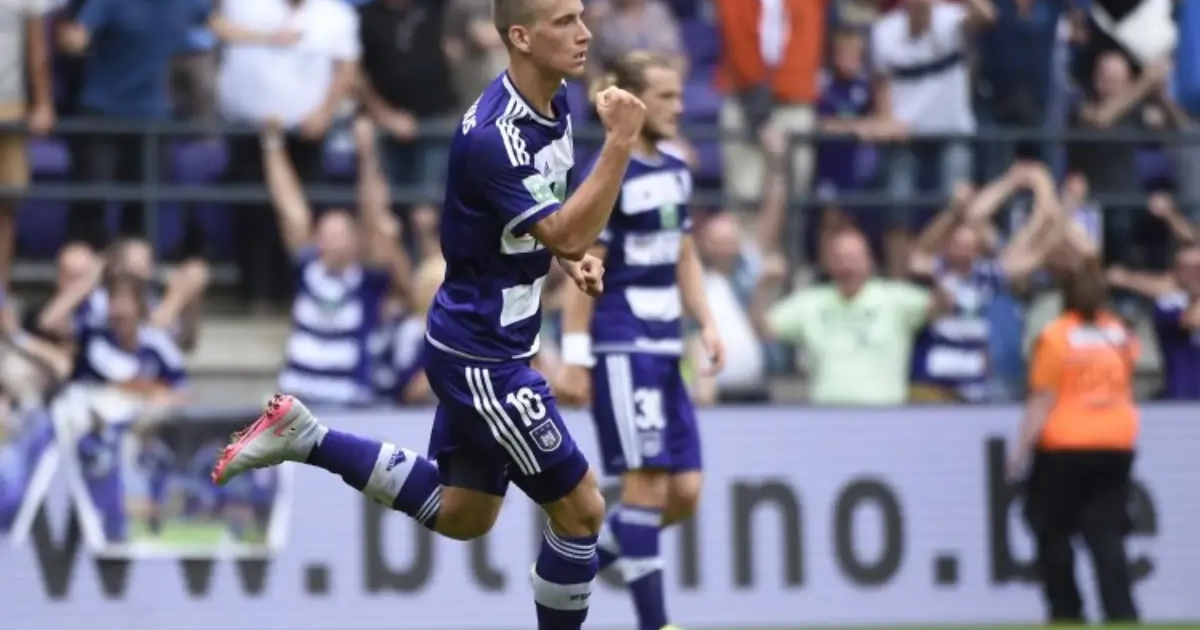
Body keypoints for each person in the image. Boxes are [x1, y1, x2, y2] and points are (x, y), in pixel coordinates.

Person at [211, 1, 647, 629]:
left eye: (581, 16)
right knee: (582, 511)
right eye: (563, 21)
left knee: (464, 515)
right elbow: (565, 227)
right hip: (484, 359)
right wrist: (621, 144)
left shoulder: (553, 103)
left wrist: (570, 259)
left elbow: (543, 222)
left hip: (487, 340)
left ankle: (307, 438)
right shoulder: (495, 135)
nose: (584, 33)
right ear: (520, 37)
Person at [553, 52, 723, 630]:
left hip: (666, 344)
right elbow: (584, 268)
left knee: (686, 490)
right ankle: (656, 623)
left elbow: (684, 254)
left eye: (680, 95)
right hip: (622, 345)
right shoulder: (610, 172)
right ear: (634, 100)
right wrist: (576, 358)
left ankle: (568, 570)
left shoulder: (676, 169)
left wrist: (707, 322)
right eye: (667, 97)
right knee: (646, 485)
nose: (680, 107)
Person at [1011, 263, 1140, 624]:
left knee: (1050, 529)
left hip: (1065, 444)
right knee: (1106, 534)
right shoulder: (1119, 334)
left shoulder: (1057, 336)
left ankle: (1066, 609)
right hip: (1115, 442)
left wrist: (1020, 450)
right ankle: (1121, 613)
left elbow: (1043, 398)